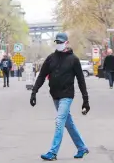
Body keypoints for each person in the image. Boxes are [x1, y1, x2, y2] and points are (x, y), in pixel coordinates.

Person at [30, 32, 90, 161]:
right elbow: (41, 75)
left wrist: (86, 100)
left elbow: (81, 80)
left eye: (61, 42)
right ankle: (82, 148)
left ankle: (53, 152)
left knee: (59, 121)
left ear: (66, 43)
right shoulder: (51, 58)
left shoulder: (73, 59)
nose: (59, 44)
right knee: (68, 123)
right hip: (55, 95)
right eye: (57, 42)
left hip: (67, 95)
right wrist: (34, 92)